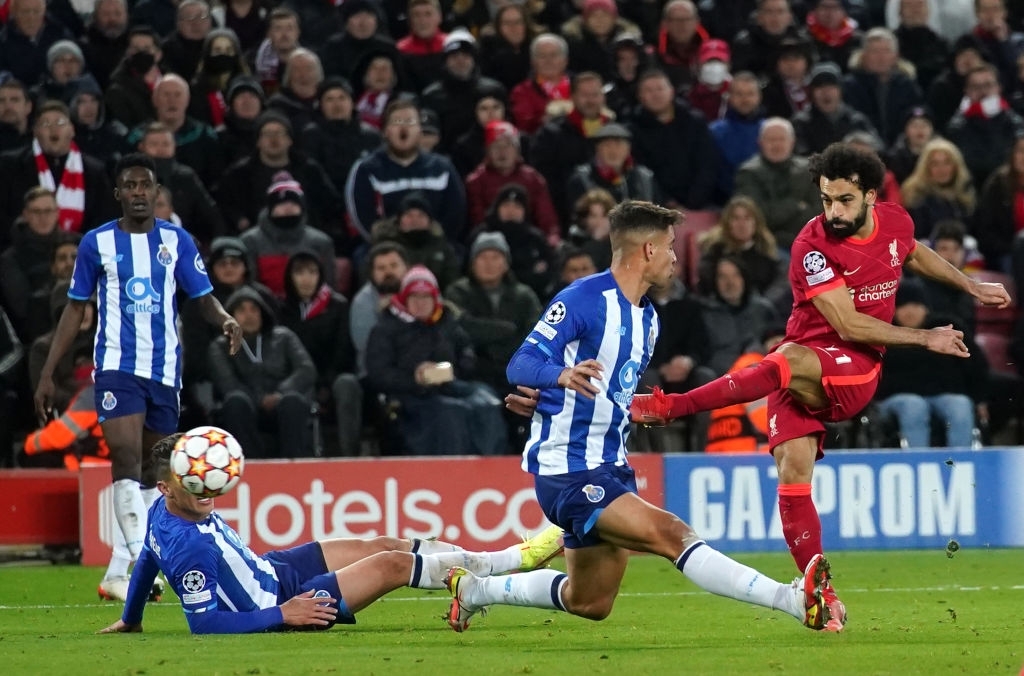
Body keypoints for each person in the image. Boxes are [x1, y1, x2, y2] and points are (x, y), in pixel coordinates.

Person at [628, 144, 1012, 632]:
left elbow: (911, 252)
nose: (833, 211)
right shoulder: (811, 246)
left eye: (845, 200)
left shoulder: (894, 220)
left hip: (856, 370)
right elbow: (847, 322)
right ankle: (821, 595)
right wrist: (925, 337)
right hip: (805, 365)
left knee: (784, 359)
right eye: (826, 200)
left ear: (871, 196)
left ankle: (670, 406)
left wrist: (970, 286)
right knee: (792, 470)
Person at [446, 199, 834, 636]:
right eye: (669, 246)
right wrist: (559, 375)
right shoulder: (583, 300)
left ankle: (475, 591)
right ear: (648, 250)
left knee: (590, 601)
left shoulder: (648, 319)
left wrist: (639, 408)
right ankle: (790, 598)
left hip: (612, 466)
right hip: (568, 470)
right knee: (671, 533)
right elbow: (521, 363)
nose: (674, 257)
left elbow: (611, 391)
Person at [33, 153, 243, 602]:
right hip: (115, 366)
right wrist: (49, 371)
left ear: (156, 190)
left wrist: (225, 318)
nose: (138, 193)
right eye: (129, 186)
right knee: (125, 457)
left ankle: (117, 573)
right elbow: (75, 307)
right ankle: (147, 559)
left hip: (165, 370)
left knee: (154, 472)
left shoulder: (178, 241)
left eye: (145, 185)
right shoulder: (97, 243)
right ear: (118, 194)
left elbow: (203, 296)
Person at [98, 433, 565, 635]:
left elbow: (146, 561)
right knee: (393, 565)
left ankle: (484, 566)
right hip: (279, 603)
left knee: (382, 542)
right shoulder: (191, 543)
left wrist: (132, 616)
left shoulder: (162, 509)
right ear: (166, 486)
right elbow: (203, 624)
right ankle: (509, 564)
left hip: (272, 571)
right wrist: (283, 613)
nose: (209, 486)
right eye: (194, 481)